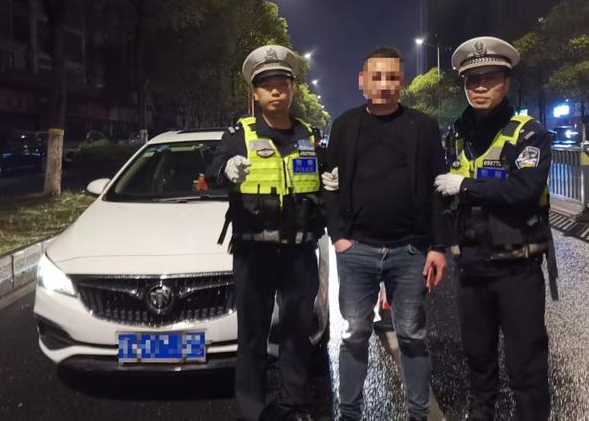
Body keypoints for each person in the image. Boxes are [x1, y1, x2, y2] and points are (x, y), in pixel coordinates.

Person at [322, 46, 450, 421]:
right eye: (376, 77)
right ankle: (349, 413)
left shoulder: (423, 127)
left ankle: (417, 413)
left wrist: (438, 246)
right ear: (362, 81)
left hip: (410, 251)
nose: (384, 84)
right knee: (355, 334)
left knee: (412, 334)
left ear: (402, 82)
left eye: (391, 76)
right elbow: (329, 186)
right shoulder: (344, 126)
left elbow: (438, 189)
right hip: (357, 249)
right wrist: (339, 238)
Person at [434, 36, 558, 421]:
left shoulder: (529, 134)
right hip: (472, 267)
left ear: (506, 81)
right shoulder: (457, 135)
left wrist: (466, 186)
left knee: (526, 365)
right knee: (477, 360)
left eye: (489, 79)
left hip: (517, 269)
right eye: (472, 81)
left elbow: (524, 191)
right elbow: (439, 195)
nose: (480, 88)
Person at [206, 45, 326, 421]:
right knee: (253, 336)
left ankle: (292, 403)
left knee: (297, 332)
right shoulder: (238, 134)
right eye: (267, 85)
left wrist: (331, 183)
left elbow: (322, 184)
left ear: (292, 89)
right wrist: (227, 169)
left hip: (299, 253)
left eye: (282, 84)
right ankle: (254, 409)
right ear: (255, 94)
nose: (276, 91)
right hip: (254, 253)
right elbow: (212, 169)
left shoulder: (308, 135)